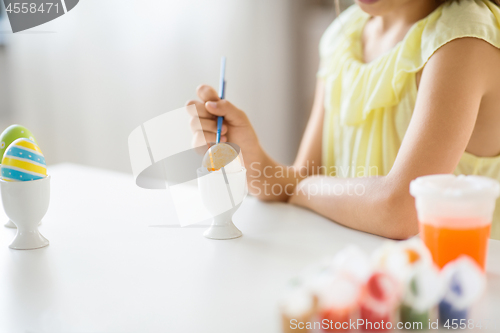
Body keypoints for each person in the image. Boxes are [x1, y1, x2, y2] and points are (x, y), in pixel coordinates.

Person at [186, 0, 500, 240]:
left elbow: (400, 210)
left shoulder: (463, 41)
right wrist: (251, 157)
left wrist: (299, 188)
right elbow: (299, 180)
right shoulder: (343, 35)